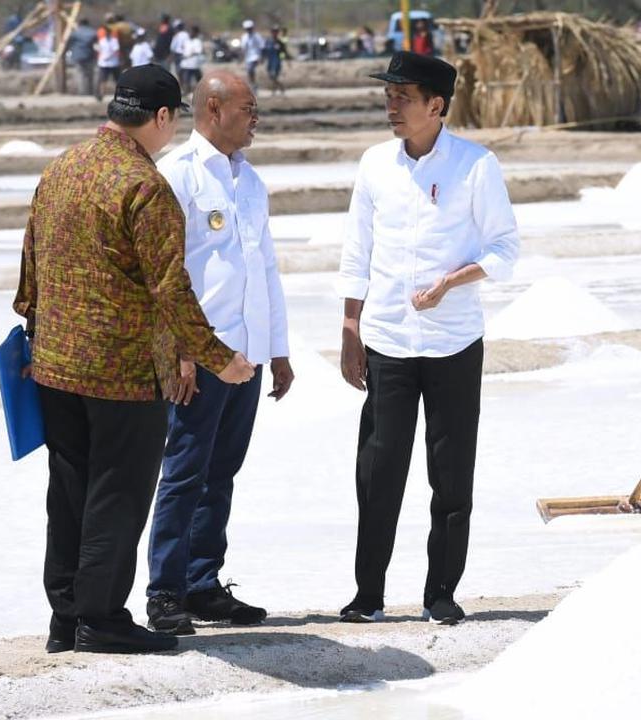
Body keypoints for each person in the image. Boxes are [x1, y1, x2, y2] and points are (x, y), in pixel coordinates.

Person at [13, 65, 255, 655]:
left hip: (54, 367)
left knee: (69, 491)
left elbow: (30, 269)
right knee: (117, 497)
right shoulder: (145, 186)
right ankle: (101, 618)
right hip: (120, 375)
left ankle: (66, 616)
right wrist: (218, 359)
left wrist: (34, 332)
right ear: (163, 117)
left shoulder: (61, 167)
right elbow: (171, 291)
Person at [337, 51, 519, 626]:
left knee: (451, 470)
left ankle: (441, 590)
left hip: (454, 342)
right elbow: (355, 251)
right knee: (378, 469)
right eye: (388, 96)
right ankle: (369, 594)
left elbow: (504, 250)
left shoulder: (476, 165)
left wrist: (452, 282)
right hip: (388, 338)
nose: (391, 106)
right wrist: (349, 327)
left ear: (436, 106)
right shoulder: (374, 165)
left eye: (402, 97)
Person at [145, 70, 293, 635]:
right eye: (248, 108)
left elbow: (266, 270)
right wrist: (181, 351)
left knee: (221, 473)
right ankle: (165, 591)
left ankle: (203, 582)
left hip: (247, 356)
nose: (256, 118)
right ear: (213, 107)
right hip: (201, 357)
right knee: (184, 471)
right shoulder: (178, 176)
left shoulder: (250, 181)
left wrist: (277, 351)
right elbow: (166, 275)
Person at [68, 17, 97, 97]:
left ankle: (82, 92)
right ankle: (90, 91)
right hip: (90, 55)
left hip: (78, 56)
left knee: (80, 74)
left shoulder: (75, 33)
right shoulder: (93, 32)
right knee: (90, 74)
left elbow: (69, 43)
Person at [96, 26, 122, 101]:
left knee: (117, 80)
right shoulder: (102, 41)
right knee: (103, 80)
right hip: (104, 64)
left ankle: (119, 95)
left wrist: (108, 56)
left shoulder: (114, 40)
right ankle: (101, 95)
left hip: (113, 63)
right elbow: (98, 49)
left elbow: (115, 50)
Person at [179, 26, 206, 95]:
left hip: (194, 64)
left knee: (198, 79)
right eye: (190, 31)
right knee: (185, 78)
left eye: (192, 32)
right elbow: (184, 50)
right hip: (186, 64)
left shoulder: (197, 41)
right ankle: (186, 91)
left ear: (196, 33)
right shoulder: (187, 41)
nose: (190, 33)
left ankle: (201, 91)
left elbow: (198, 51)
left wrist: (190, 54)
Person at [263, 26, 289, 96]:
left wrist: (283, 59)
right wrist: (262, 58)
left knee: (274, 75)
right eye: (273, 31)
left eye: (276, 31)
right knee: (271, 76)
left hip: (277, 61)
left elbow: (283, 52)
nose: (274, 33)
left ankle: (273, 91)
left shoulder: (280, 42)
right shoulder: (268, 41)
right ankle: (281, 87)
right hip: (270, 61)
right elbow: (264, 50)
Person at [241, 20, 265, 90]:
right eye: (247, 28)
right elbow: (243, 48)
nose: (248, 30)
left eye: (250, 28)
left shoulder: (257, 36)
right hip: (248, 57)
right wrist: (241, 57)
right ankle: (253, 84)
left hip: (256, 56)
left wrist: (261, 57)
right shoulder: (244, 37)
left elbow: (262, 46)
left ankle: (254, 85)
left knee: (250, 69)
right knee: (249, 71)